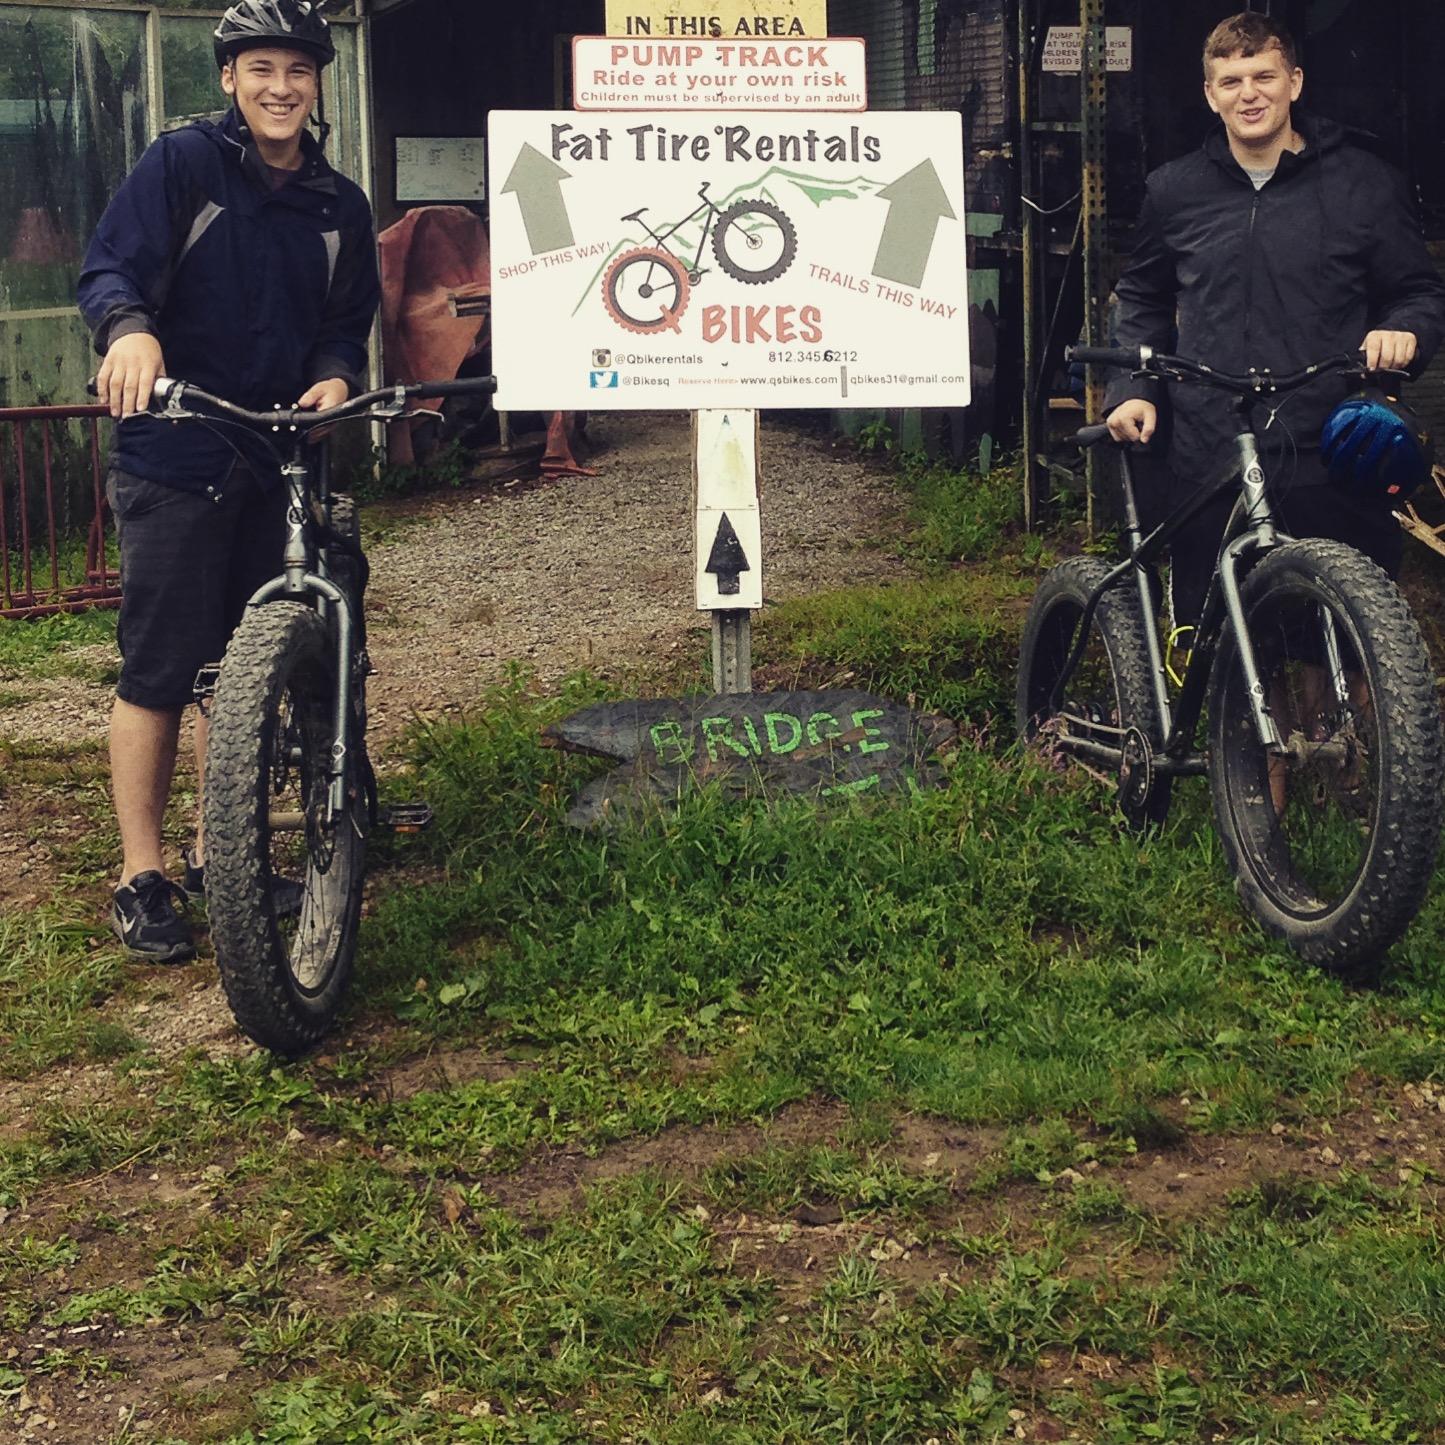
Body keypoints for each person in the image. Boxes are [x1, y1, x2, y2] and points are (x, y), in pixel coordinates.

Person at [77, 0, 380, 961]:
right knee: (162, 670)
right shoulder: (184, 165)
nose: (280, 87)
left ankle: (224, 856)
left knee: (240, 673)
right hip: (176, 450)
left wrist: (338, 372)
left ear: (317, 81)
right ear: (229, 80)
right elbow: (109, 269)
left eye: (297, 69)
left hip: (278, 455)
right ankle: (142, 874)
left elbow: (345, 319)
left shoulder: (339, 203)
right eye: (260, 70)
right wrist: (130, 331)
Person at [1104, 11, 1445, 632]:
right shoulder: (1174, 190)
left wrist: (1406, 333)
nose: (1249, 94)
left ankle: (1344, 732)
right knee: (1227, 640)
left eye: (1264, 76)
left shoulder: (1364, 184)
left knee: (1347, 632)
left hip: (1330, 445)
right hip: (1210, 449)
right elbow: (1142, 296)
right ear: (1211, 95)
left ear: (1295, 81)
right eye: (1231, 82)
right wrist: (1133, 388)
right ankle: (1240, 731)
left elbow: (1418, 292)